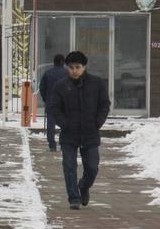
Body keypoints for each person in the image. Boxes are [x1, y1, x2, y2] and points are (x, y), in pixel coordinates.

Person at [45, 51, 111, 210]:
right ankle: (74, 198)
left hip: (90, 132)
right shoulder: (61, 86)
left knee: (92, 167)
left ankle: (84, 187)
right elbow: (54, 107)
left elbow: (104, 105)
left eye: (78, 67)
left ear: (84, 67)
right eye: (71, 67)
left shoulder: (96, 84)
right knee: (69, 166)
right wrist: (63, 123)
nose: (74, 70)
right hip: (69, 133)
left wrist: (97, 123)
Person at [38, 54, 68, 152]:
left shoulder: (47, 73)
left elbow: (42, 87)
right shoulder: (67, 73)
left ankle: (52, 145)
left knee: (51, 124)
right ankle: (63, 143)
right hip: (64, 103)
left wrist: (45, 98)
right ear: (62, 62)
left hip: (51, 102)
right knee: (64, 123)